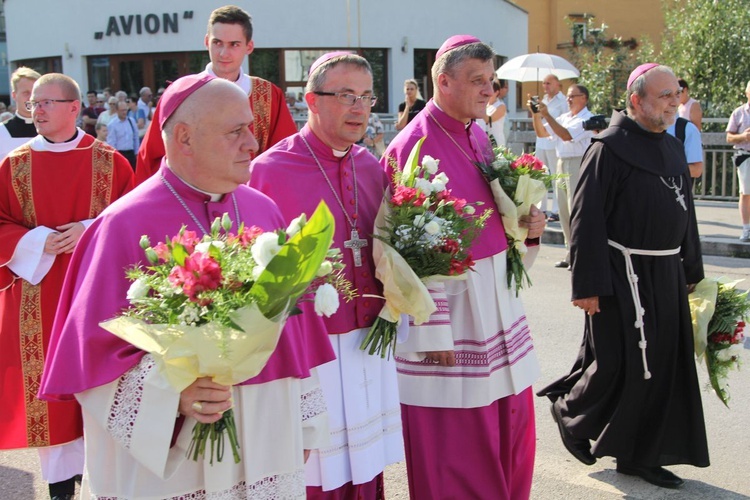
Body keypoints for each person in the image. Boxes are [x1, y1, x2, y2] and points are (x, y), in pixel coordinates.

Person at [39, 74, 333, 499]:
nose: (253, 143)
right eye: (236, 131)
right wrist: (173, 392)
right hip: (170, 451)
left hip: (263, 431)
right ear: (184, 138)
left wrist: (304, 422)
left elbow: (293, 331)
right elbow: (92, 356)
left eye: (250, 128)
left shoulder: (263, 210)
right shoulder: (122, 226)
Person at [382, 35, 546, 500]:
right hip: (451, 320)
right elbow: (400, 252)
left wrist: (526, 223)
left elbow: (498, 217)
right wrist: (431, 333)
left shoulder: (479, 132)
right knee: (458, 447)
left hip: (496, 304)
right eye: (476, 81)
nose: (488, 91)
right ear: (443, 80)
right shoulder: (410, 145)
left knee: (508, 431)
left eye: (490, 81)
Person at [537, 63, 709, 489]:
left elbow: (685, 213)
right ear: (637, 101)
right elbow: (586, 220)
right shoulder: (608, 148)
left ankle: (638, 456)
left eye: (676, 94)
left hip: (666, 271)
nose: (674, 102)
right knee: (619, 363)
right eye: (664, 95)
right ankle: (569, 412)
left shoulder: (671, 145)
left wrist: (692, 268)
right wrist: (589, 286)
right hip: (622, 273)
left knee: (662, 364)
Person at [250, 52, 403, 499]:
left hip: (370, 338)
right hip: (310, 349)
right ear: (311, 101)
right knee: (316, 467)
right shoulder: (269, 171)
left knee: (368, 463)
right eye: (345, 96)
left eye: (366, 97)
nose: (359, 107)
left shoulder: (371, 166)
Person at [0, 73, 134, 500]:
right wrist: (35, 240)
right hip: (36, 294)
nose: (35, 110)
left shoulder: (111, 162)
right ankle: (61, 490)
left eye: (45, 103)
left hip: (94, 294)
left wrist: (90, 229)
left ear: (74, 108)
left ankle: (105, 484)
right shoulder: (14, 164)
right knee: (50, 396)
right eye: (33, 103)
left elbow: (133, 220)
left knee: (98, 391)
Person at [136, 5, 297, 185]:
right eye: (217, 42)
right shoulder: (181, 94)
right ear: (206, 42)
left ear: (249, 46)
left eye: (234, 44)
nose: (224, 53)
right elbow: (151, 158)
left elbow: (284, 156)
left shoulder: (268, 95)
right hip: (193, 201)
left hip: (253, 200)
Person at [530, 83, 594, 269]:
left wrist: (547, 114)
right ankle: (570, 252)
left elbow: (566, 135)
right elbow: (542, 133)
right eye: (568, 96)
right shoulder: (564, 117)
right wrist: (536, 114)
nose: (569, 99)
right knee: (564, 210)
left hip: (577, 162)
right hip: (561, 162)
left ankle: (581, 252)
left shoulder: (587, 119)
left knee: (576, 209)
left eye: (573, 96)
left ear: (584, 98)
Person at [535, 74, 568, 221]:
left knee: (555, 177)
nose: (545, 86)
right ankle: (540, 209)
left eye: (548, 83)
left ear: (557, 84)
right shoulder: (543, 100)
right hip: (541, 142)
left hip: (554, 143)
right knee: (539, 176)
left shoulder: (564, 101)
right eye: (544, 83)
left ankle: (556, 210)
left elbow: (564, 122)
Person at [726, 79, 750, 242]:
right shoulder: (739, 112)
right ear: (747, 93)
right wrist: (744, 136)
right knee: (746, 193)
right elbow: (728, 137)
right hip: (745, 155)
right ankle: (746, 228)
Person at [0, 67, 41, 159]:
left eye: (35, 92)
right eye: (26, 93)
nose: (31, 98)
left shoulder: (54, 131)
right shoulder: (2, 132)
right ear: (14, 95)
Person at [106, 101, 139, 169]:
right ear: (117, 111)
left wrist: (137, 153)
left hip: (131, 153)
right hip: (120, 153)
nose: (124, 112)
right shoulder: (112, 124)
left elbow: (135, 137)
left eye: (125, 110)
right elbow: (111, 142)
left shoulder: (131, 121)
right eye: (122, 110)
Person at [480, 78, 508, 147]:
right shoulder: (486, 105)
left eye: (490, 90)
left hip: (496, 142)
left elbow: (487, 119)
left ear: (497, 92)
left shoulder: (501, 106)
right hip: (483, 141)